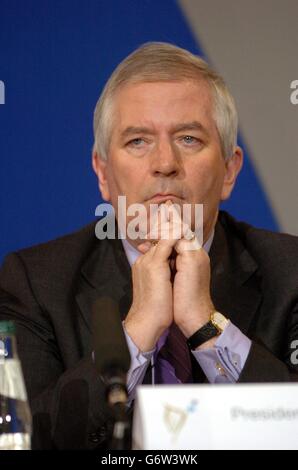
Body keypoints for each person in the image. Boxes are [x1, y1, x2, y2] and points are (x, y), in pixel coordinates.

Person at [0, 42, 298, 450]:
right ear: (103, 173)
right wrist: (138, 331)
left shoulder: (291, 271)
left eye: (189, 138)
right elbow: (25, 440)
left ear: (229, 170)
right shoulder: (35, 283)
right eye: (138, 141)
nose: (164, 162)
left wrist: (206, 325)